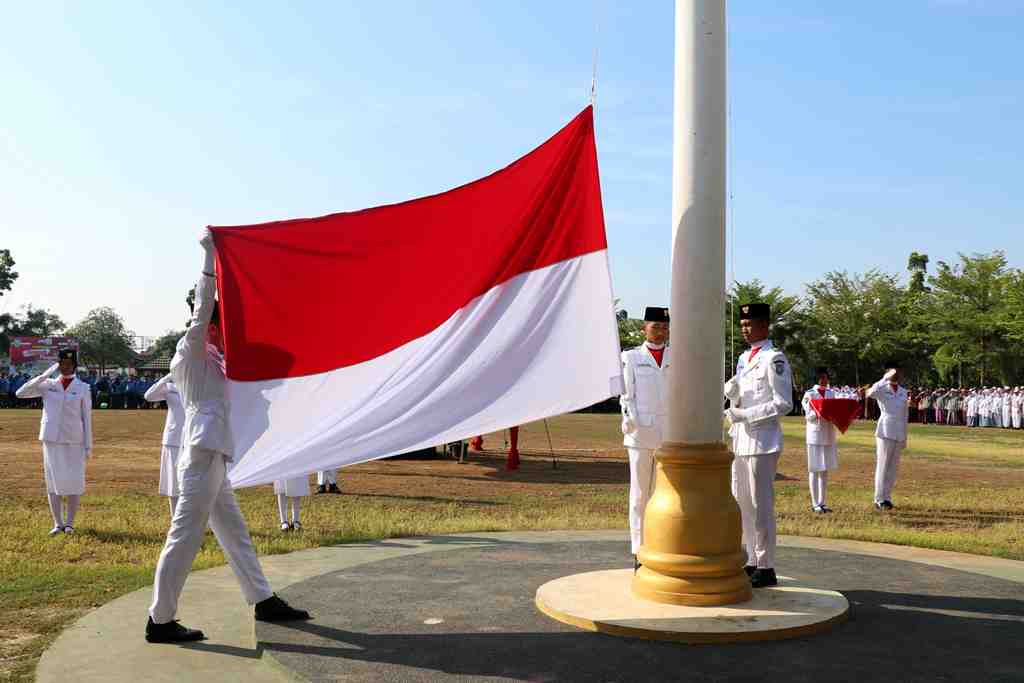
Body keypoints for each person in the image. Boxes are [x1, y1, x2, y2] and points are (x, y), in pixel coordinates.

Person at [146, 229, 310, 644]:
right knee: (184, 535)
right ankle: (159, 620)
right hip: (201, 452)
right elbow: (201, 311)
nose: (222, 331)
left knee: (234, 533)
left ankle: (262, 598)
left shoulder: (219, 360)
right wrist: (209, 262)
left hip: (215, 453)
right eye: (221, 325)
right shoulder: (189, 351)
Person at [723, 303, 793, 589]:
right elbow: (743, 396)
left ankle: (766, 566)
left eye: (750, 324)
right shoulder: (743, 358)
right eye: (742, 324)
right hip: (741, 439)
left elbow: (783, 403)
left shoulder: (774, 358)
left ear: (764, 325)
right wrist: (734, 395)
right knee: (743, 505)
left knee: (761, 506)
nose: (744, 328)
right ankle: (751, 559)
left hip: (763, 440)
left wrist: (746, 414)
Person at [16, 349, 93, 535]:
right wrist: (45, 374)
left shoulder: (83, 388)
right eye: (62, 364)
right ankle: (57, 523)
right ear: (58, 365)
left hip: (74, 439)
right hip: (51, 439)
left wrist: (88, 445)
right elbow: (20, 393)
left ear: (74, 365)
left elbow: (87, 418)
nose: (65, 367)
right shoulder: (47, 384)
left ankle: (70, 524)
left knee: (74, 481)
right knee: (53, 482)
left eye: (69, 364)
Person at [619, 306, 669, 569]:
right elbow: (626, 395)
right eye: (655, 326)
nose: (659, 331)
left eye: (663, 326)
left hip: (668, 435)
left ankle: (659, 544)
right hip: (640, 434)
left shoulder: (677, 356)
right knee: (639, 494)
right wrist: (628, 417)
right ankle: (638, 550)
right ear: (644, 328)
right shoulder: (631, 357)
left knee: (662, 494)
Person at [865, 361, 909, 510]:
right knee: (882, 466)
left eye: (899, 371)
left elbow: (905, 415)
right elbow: (869, 393)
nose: (897, 374)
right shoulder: (882, 388)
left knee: (893, 468)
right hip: (885, 431)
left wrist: (905, 436)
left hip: (898, 432)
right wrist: (884, 378)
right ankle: (879, 499)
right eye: (894, 371)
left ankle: (887, 497)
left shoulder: (903, 391)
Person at [144, 373, 185, 517]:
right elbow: (149, 396)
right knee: (173, 484)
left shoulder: (199, 384)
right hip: (173, 439)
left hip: (193, 439)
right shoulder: (169, 386)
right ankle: (175, 519)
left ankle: (201, 521)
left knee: (194, 484)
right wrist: (166, 378)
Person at [802, 367, 838, 513]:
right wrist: (819, 412)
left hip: (828, 434)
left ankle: (823, 503)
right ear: (816, 379)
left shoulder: (831, 393)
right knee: (814, 469)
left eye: (826, 377)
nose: (824, 380)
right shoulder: (810, 394)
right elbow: (808, 416)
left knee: (824, 470)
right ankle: (815, 503)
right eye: (821, 377)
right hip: (815, 434)